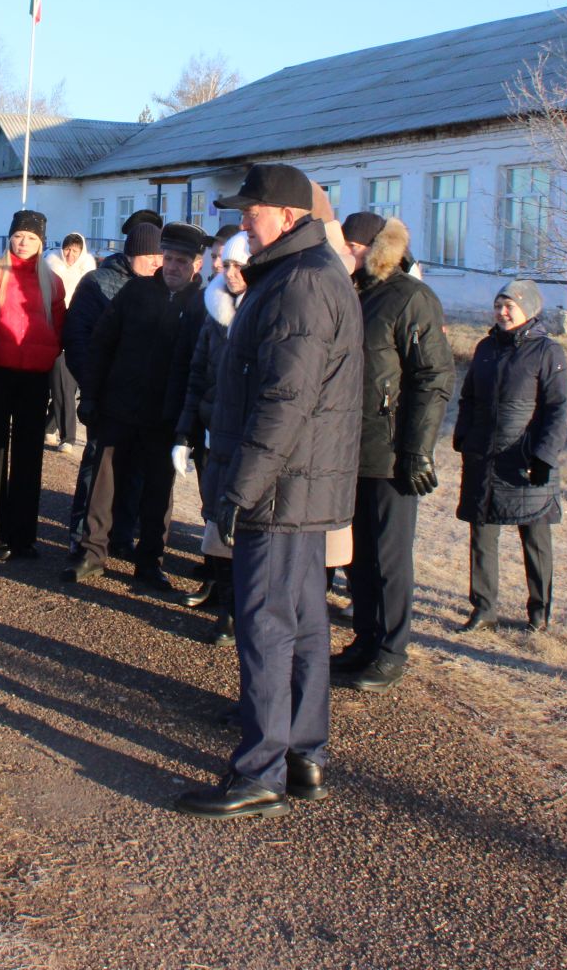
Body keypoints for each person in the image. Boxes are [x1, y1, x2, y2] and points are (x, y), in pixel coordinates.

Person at [173, 164, 363, 820]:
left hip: (280, 488)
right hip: (298, 486)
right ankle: (303, 755)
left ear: (286, 214)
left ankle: (260, 770)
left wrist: (240, 487)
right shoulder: (296, 274)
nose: (243, 222)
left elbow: (285, 402)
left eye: (251, 211)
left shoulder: (301, 284)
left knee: (267, 625)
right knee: (304, 622)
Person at [331, 212, 454, 694]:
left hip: (391, 451)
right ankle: (366, 637)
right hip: (349, 446)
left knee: (388, 555)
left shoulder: (411, 299)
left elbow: (434, 377)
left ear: (370, 248)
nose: (346, 255)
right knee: (357, 555)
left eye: (352, 248)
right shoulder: (354, 295)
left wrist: (417, 451)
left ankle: (391, 649)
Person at [66, 222, 205, 591]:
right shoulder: (135, 292)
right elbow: (101, 345)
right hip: (118, 407)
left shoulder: (201, 305)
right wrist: (91, 396)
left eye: (181, 260)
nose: (173, 266)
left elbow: (200, 365)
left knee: (158, 493)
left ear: (197, 264)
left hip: (165, 416)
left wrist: (187, 423)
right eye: (168, 258)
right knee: (102, 484)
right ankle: (92, 552)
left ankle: (149, 563)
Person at [451, 280, 567, 633]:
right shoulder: (485, 348)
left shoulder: (548, 352)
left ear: (529, 310)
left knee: (535, 536)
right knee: (482, 534)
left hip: (525, 458)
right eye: (498, 305)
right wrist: (464, 436)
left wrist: (544, 456)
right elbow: (469, 397)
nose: (502, 312)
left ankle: (539, 612)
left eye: (510, 306)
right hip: (484, 457)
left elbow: (558, 408)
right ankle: (484, 607)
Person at [63, 208, 166, 554]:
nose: (156, 262)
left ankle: (121, 534)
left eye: (158, 254)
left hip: (143, 398)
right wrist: (93, 387)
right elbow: (77, 339)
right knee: (97, 466)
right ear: (131, 252)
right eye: (149, 255)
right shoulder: (97, 283)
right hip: (106, 395)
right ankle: (83, 534)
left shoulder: (161, 287)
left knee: (134, 466)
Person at [168, 228, 253, 642]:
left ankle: (241, 610)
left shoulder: (267, 312)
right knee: (213, 518)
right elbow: (197, 374)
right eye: (227, 264)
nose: (229, 272)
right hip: (212, 430)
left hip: (251, 437)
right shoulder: (213, 309)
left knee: (245, 525)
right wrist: (184, 433)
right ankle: (223, 599)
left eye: (240, 266)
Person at [0, 210, 66, 560]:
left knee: (29, 457)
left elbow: (59, 322)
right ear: (10, 237)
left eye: (31, 237)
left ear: (41, 241)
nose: (23, 242)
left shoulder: (51, 280)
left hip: (34, 377)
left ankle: (23, 534)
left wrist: (50, 350)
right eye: (18, 235)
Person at [44, 232, 96, 452]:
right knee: (62, 385)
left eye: (75, 250)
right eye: (67, 249)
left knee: (68, 385)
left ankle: (52, 428)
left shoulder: (89, 272)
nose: (70, 254)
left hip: (82, 332)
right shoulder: (51, 266)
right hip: (56, 330)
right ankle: (68, 437)